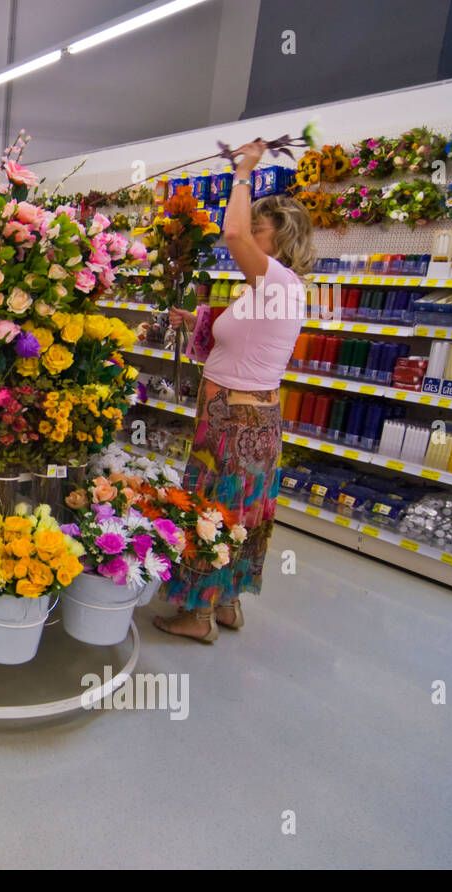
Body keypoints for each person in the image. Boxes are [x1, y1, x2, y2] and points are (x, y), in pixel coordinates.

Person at [153, 139, 315, 643]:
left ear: (276, 236)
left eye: (257, 229)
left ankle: (196, 616)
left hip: (231, 426)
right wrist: (197, 318)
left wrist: (244, 169)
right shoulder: (271, 289)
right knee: (241, 514)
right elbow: (243, 333)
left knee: (211, 514)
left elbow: (231, 228)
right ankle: (227, 604)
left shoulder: (277, 282)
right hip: (251, 424)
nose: (243, 238)